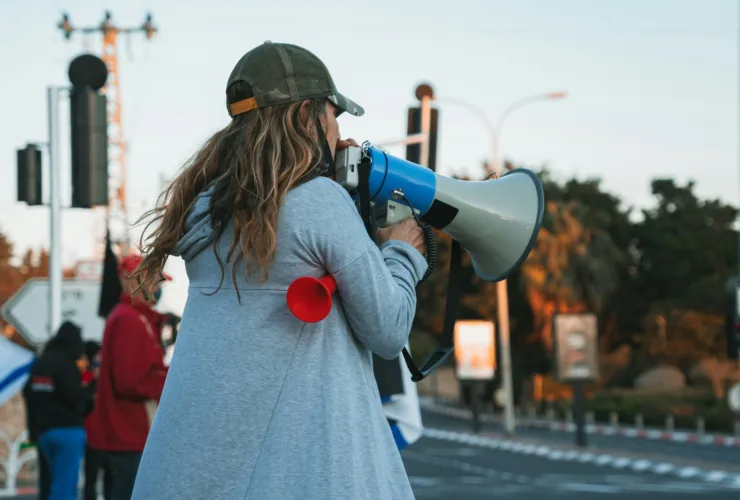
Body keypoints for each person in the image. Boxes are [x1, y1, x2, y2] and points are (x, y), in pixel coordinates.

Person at [128, 41, 426, 500]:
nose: (337, 131)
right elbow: (388, 329)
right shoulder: (317, 203)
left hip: (190, 470)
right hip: (294, 474)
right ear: (309, 115)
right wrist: (403, 251)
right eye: (333, 116)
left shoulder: (204, 207)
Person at [88, 254, 170, 500]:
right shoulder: (129, 319)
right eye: (154, 281)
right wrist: (169, 382)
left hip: (130, 433)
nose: (157, 289)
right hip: (130, 433)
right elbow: (129, 381)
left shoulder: (134, 317)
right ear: (135, 281)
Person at [23, 321, 90, 500]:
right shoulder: (67, 365)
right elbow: (74, 397)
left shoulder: (40, 363)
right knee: (65, 487)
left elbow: (29, 395)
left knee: (50, 484)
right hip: (67, 431)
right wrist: (91, 389)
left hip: (44, 432)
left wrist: (33, 429)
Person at [81, 340, 113, 500]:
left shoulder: (94, 378)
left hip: (101, 435)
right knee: (96, 478)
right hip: (97, 435)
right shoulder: (88, 378)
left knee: (104, 478)